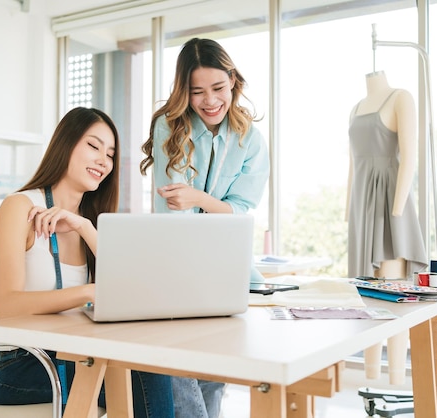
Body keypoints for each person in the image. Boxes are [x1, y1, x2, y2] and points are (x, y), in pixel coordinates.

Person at [0, 107, 175, 417]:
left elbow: (130, 288)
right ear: (66, 144)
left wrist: (86, 228)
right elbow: (5, 305)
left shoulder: (89, 221)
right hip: (18, 361)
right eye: (93, 145)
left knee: (152, 365)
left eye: (110, 154)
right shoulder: (20, 206)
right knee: (141, 375)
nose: (103, 160)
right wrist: (87, 293)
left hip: (73, 350)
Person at [140, 38, 270, 418]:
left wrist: (198, 198)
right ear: (184, 91)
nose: (209, 101)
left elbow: (242, 215)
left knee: (215, 371)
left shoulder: (251, 139)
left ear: (232, 81)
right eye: (197, 92)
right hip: (176, 262)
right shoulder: (170, 127)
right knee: (179, 362)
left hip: (228, 266)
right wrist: (215, 207)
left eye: (218, 88)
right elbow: (173, 214)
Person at [346, 70, 427, 385]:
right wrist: (348, 210)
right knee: (365, 296)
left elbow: (409, 157)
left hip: (390, 201)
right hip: (361, 206)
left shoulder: (400, 97)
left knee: (393, 297)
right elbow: (353, 164)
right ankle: (370, 377)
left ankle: (394, 379)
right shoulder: (354, 109)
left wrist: (396, 210)